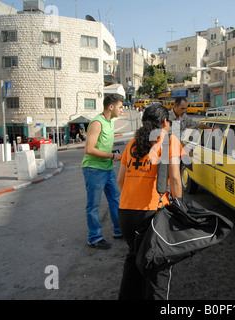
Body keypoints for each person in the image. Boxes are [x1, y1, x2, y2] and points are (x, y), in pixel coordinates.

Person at [117, 103, 186, 300]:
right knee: (158, 266)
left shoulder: (132, 143)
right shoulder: (169, 141)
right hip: (151, 213)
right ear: (164, 122)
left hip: (126, 214)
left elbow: (121, 180)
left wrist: (132, 199)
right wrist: (180, 207)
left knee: (134, 260)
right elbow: (174, 179)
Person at [81, 93, 124, 249]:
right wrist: (113, 155)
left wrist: (112, 153)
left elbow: (102, 145)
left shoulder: (110, 121)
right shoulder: (97, 123)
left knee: (116, 200)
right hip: (93, 169)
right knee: (93, 205)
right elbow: (89, 149)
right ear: (111, 107)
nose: (122, 110)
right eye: (120, 107)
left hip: (107, 168)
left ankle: (119, 230)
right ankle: (94, 237)